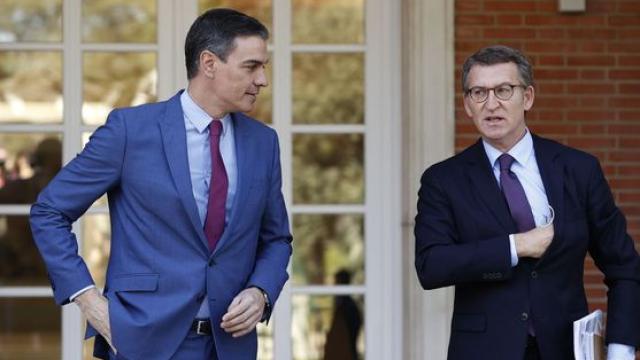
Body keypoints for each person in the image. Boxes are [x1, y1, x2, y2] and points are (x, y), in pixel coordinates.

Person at [30, 8, 292, 359]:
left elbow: (276, 239)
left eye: (264, 67)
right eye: (251, 66)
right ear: (209, 63)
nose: (262, 80)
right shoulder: (130, 131)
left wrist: (261, 291)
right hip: (142, 343)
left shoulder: (263, 143)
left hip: (229, 346)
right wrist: (90, 301)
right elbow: (49, 211)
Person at [414, 45, 640, 360]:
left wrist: (619, 350)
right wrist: (516, 246)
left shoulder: (578, 169)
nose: (491, 103)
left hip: (564, 350)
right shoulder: (443, 180)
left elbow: (625, 266)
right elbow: (431, 265)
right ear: (467, 104)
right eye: (478, 92)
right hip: (483, 351)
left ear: (528, 97)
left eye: (504, 90)